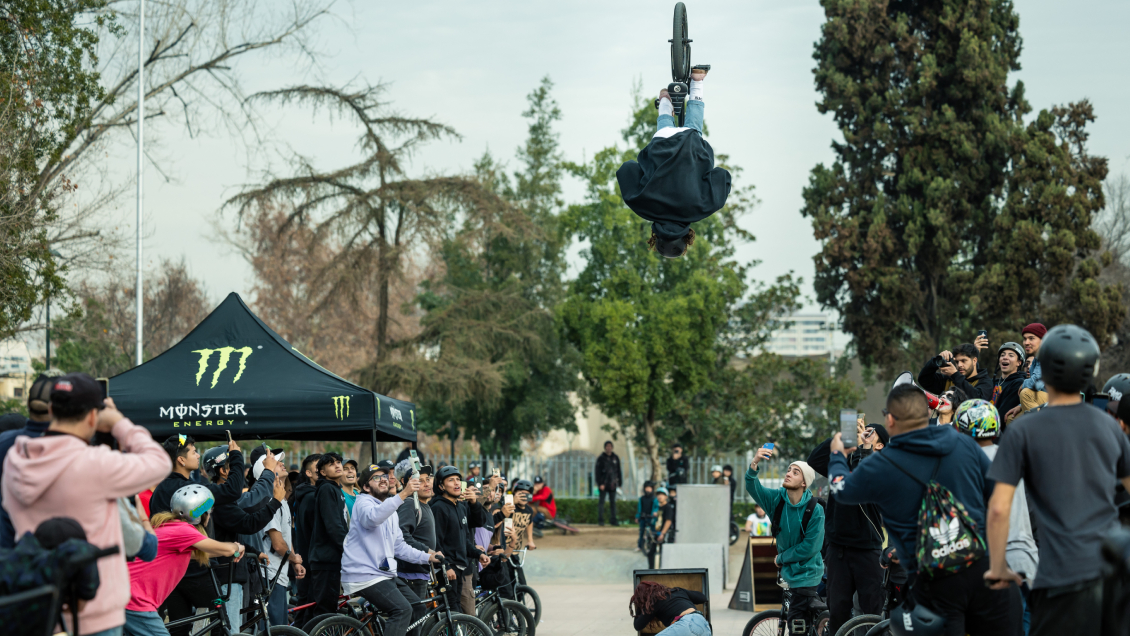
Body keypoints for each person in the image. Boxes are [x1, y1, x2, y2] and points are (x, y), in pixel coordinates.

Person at [827, 383, 1020, 636]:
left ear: (890, 419)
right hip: (985, 569)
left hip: (934, 584)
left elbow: (841, 489)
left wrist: (838, 455)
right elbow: (998, 502)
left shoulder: (881, 464)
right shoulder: (965, 444)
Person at [984, 325, 1130, 636]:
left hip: (1058, 579)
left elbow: (998, 510)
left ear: (1043, 369)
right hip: (1112, 577)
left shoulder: (1022, 431)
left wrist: (998, 567)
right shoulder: (1111, 428)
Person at [1, 374, 169, 636]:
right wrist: (119, 424)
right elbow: (160, 462)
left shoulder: (15, 460)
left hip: (37, 605)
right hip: (96, 610)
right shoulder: (95, 464)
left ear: (51, 409)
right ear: (93, 416)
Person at [615, 67, 731, 258]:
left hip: (691, 144)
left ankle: (697, 81)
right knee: (664, 135)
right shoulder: (642, 206)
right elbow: (627, 169)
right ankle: (665, 103)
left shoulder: (702, 208)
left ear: (686, 236)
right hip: (661, 142)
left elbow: (722, 175)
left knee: (694, 129)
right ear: (655, 235)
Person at [953, 399, 1037, 634]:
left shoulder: (965, 463)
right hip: (1028, 558)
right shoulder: (1012, 456)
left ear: (960, 428)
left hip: (995, 563)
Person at [124, 486, 246, 636]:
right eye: (208, 512)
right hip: (135, 601)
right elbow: (223, 548)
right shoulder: (182, 531)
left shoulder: (169, 527)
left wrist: (229, 552)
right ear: (200, 515)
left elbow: (199, 554)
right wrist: (237, 547)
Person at [341, 463, 440, 636]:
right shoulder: (363, 503)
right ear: (365, 486)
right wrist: (403, 494)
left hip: (384, 574)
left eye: (385, 477)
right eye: (376, 478)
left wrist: (428, 557)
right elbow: (373, 518)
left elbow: (399, 547)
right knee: (401, 610)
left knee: (417, 607)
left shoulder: (390, 509)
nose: (383, 480)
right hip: (365, 575)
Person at [807, 420, 886, 635]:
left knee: (873, 611)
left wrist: (865, 449)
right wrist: (840, 437)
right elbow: (814, 459)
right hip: (838, 550)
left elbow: (864, 480)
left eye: (870, 432)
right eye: (862, 430)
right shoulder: (842, 463)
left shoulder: (883, 465)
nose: (864, 433)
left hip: (867, 550)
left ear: (881, 445)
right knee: (837, 611)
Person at [746, 447, 824, 634]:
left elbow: (810, 547)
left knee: (797, 626)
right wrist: (755, 463)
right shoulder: (777, 501)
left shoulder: (815, 510)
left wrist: (780, 558)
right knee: (796, 620)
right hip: (788, 573)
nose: (788, 473)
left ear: (804, 482)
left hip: (807, 575)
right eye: (788, 470)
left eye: (795, 472)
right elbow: (752, 486)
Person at [0, 372, 57, 549]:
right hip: (53, 556)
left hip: (8, 554)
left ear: (28, 404)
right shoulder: (69, 448)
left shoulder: (5, 443)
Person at [430, 465, 489, 612]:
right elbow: (436, 542)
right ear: (441, 486)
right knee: (452, 612)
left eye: (458, 479)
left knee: (457, 612)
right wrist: (446, 566)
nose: (456, 483)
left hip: (461, 569)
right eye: (451, 480)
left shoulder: (461, 506)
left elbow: (464, 539)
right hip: (447, 571)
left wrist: (478, 553)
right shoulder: (438, 508)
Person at [258, 456, 305, 627]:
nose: (283, 464)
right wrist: (294, 559)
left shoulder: (283, 501)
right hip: (271, 575)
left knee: (281, 627)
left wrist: (293, 562)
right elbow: (277, 544)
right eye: (278, 463)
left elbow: (286, 538)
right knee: (275, 628)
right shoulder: (271, 501)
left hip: (280, 574)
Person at [308, 452, 349, 616]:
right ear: (322, 472)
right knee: (325, 610)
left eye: (339, 462)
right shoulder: (326, 489)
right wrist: (351, 549)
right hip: (325, 560)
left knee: (330, 607)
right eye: (332, 464)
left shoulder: (335, 489)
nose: (338, 465)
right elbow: (334, 527)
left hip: (332, 559)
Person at [395, 460, 437, 609]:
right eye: (419, 481)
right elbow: (402, 536)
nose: (426, 484)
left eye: (428, 479)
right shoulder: (409, 504)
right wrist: (427, 551)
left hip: (421, 571)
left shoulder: (424, 505)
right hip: (410, 574)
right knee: (416, 618)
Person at [291, 453, 321, 608]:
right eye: (319, 467)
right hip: (312, 563)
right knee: (310, 609)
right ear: (309, 473)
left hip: (310, 561)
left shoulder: (313, 495)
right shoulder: (311, 498)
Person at [918, 341, 992, 402]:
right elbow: (924, 380)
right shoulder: (949, 379)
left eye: (963, 361)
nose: (959, 365)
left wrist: (956, 375)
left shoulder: (985, 382)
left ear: (974, 361)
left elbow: (978, 401)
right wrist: (936, 361)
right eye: (956, 362)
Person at [629, 581, 711, 635]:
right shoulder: (677, 591)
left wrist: (640, 604)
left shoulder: (654, 601)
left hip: (687, 624)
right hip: (704, 625)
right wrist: (684, 594)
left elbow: (638, 625)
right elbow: (703, 598)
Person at [1006, 323, 1047, 421]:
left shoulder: (1047, 356)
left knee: (1025, 393)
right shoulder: (1035, 361)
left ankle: (1042, 432)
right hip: (1045, 400)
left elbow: (1037, 383)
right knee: (1011, 419)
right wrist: (1020, 406)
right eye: (1025, 339)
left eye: (1031, 338)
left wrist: (1023, 384)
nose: (1026, 342)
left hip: (1061, 401)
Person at [594, 440, 622, 526]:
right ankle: (601, 520)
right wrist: (600, 483)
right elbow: (597, 472)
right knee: (601, 502)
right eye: (607, 446)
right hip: (603, 484)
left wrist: (619, 483)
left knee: (613, 503)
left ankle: (613, 520)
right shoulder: (601, 458)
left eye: (610, 446)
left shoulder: (615, 458)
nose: (609, 448)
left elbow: (618, 471)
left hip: (612, 484)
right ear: (605, 448)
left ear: (612, 448)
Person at [635, 482, 659, 552]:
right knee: (641, 532)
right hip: (643, 517)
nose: (648, 490)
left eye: (649, 488)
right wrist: (637, 516)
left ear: (652, 489)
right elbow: (639, 508)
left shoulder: (654, 499)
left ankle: (653, 546)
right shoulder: (642, 498)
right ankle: (639, 546)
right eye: (646, 488)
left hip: (651, 518)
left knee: (653, 532)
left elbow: (656, 507)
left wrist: (654, 513)